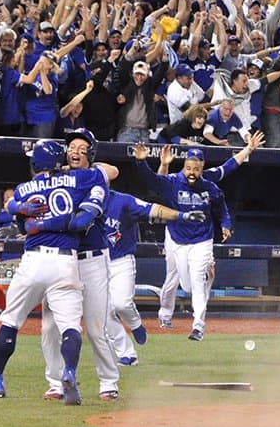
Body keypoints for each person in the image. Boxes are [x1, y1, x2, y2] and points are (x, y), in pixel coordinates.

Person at [0, 140, 108, 405]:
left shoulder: (24, 188)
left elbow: (16, 217)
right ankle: (69, 372)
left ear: (34, 163)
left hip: (33, 260)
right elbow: (105, 175)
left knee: (10, 322)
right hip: (65, 263)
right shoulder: (80, 179)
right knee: (70, 328)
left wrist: (22, 211)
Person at [133, 132, 265, 341]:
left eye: (196, 168)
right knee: (176, 281)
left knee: (196, 282)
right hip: (176, 236)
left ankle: (198, 326)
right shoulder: (174, 181)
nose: (192, 172)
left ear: (202, 168)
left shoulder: (209, 184)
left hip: (202, 239)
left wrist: (226, 225)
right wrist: (141, 162)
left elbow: (229, 169)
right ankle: (165, 314)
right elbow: (153, 181)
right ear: (184, 167)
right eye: (188, 168)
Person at [31, 129, 121, 401]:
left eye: (82, 148)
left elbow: (112, 170)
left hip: (91, 258)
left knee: (95, 326)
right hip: (60, 260)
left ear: (91, 155)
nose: (75, 151)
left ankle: (108, 382)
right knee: (49, 326)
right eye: (71, 147)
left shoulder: (96, 181)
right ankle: (57, 382)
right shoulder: (55, 180)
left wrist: (47, 223)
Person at [103, 189, 204, 366]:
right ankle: (128, 354)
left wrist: (182, 216)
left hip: (120, 259)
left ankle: (135, 324)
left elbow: (154, 209)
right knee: (103, 313)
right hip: (93, 262)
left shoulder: (122, 200)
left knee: (122, 303)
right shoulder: (79, 198)